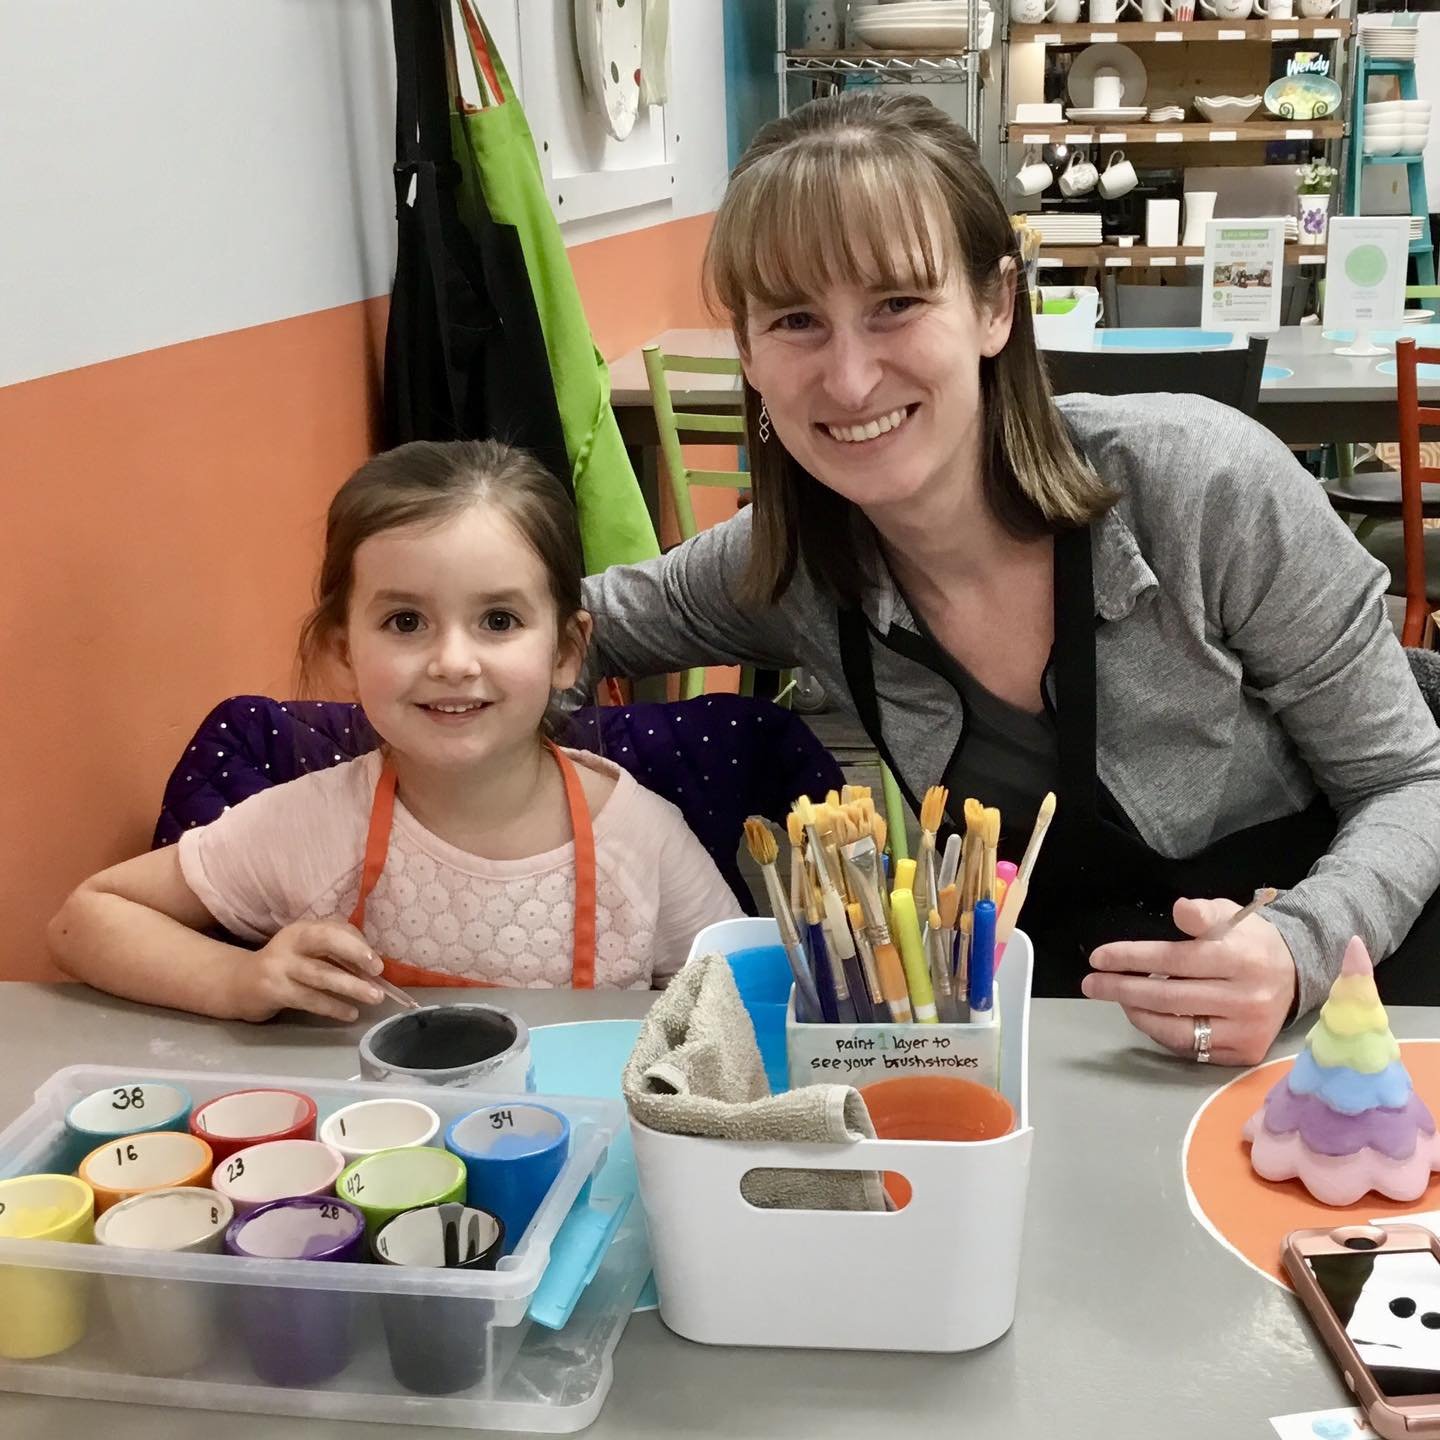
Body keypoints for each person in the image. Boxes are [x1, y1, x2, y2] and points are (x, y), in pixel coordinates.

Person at [580, 92, 1440, 1067]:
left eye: (897, 304)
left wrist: (1298, 948)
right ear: (749, 351)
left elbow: (1411, 776)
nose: (852, 378)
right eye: (796, 320)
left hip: (1351, 1005)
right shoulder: (786, 565)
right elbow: (553, 636)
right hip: (1079, 1028)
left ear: (995, 304)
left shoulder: (1205, 486)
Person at [50, 440, 741, 1020]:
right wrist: (238, 981)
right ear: (345, 650)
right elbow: (85, 918)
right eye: (404, 622)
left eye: (499, 620)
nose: (452, 662)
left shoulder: (643, 841)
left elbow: (738, 1017)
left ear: (565, 650)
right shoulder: (313, 828)